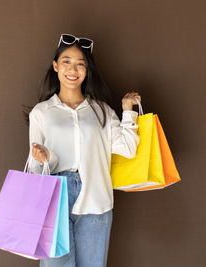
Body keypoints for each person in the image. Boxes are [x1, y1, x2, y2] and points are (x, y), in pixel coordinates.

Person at [25, 33, 141, 267]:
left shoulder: (102, 111)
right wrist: (46, 157)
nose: (73, 69)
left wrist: (128, 111)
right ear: (56, 66)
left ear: (87, 70)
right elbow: (36, 165)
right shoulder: (41, 112)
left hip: (95, 199)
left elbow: (128, 149)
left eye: (81, 63)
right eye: (66, 61)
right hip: (54, 200)